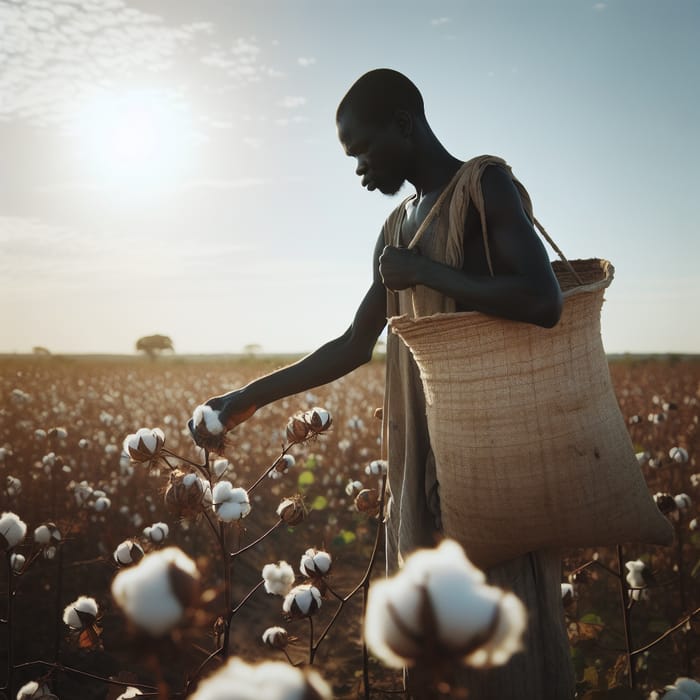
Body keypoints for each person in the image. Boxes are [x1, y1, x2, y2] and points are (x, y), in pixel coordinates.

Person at [192, 69, 574, 699]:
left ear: (404, 124)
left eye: (363, 150)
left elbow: (543, 299)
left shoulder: (485, 184)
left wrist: (424, 272)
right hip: (421, 459)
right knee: (433, 639)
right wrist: (245, 400)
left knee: (502, 632)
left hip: (488, 456)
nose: (361, 169)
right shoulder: (398, 226)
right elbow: (351, 344)